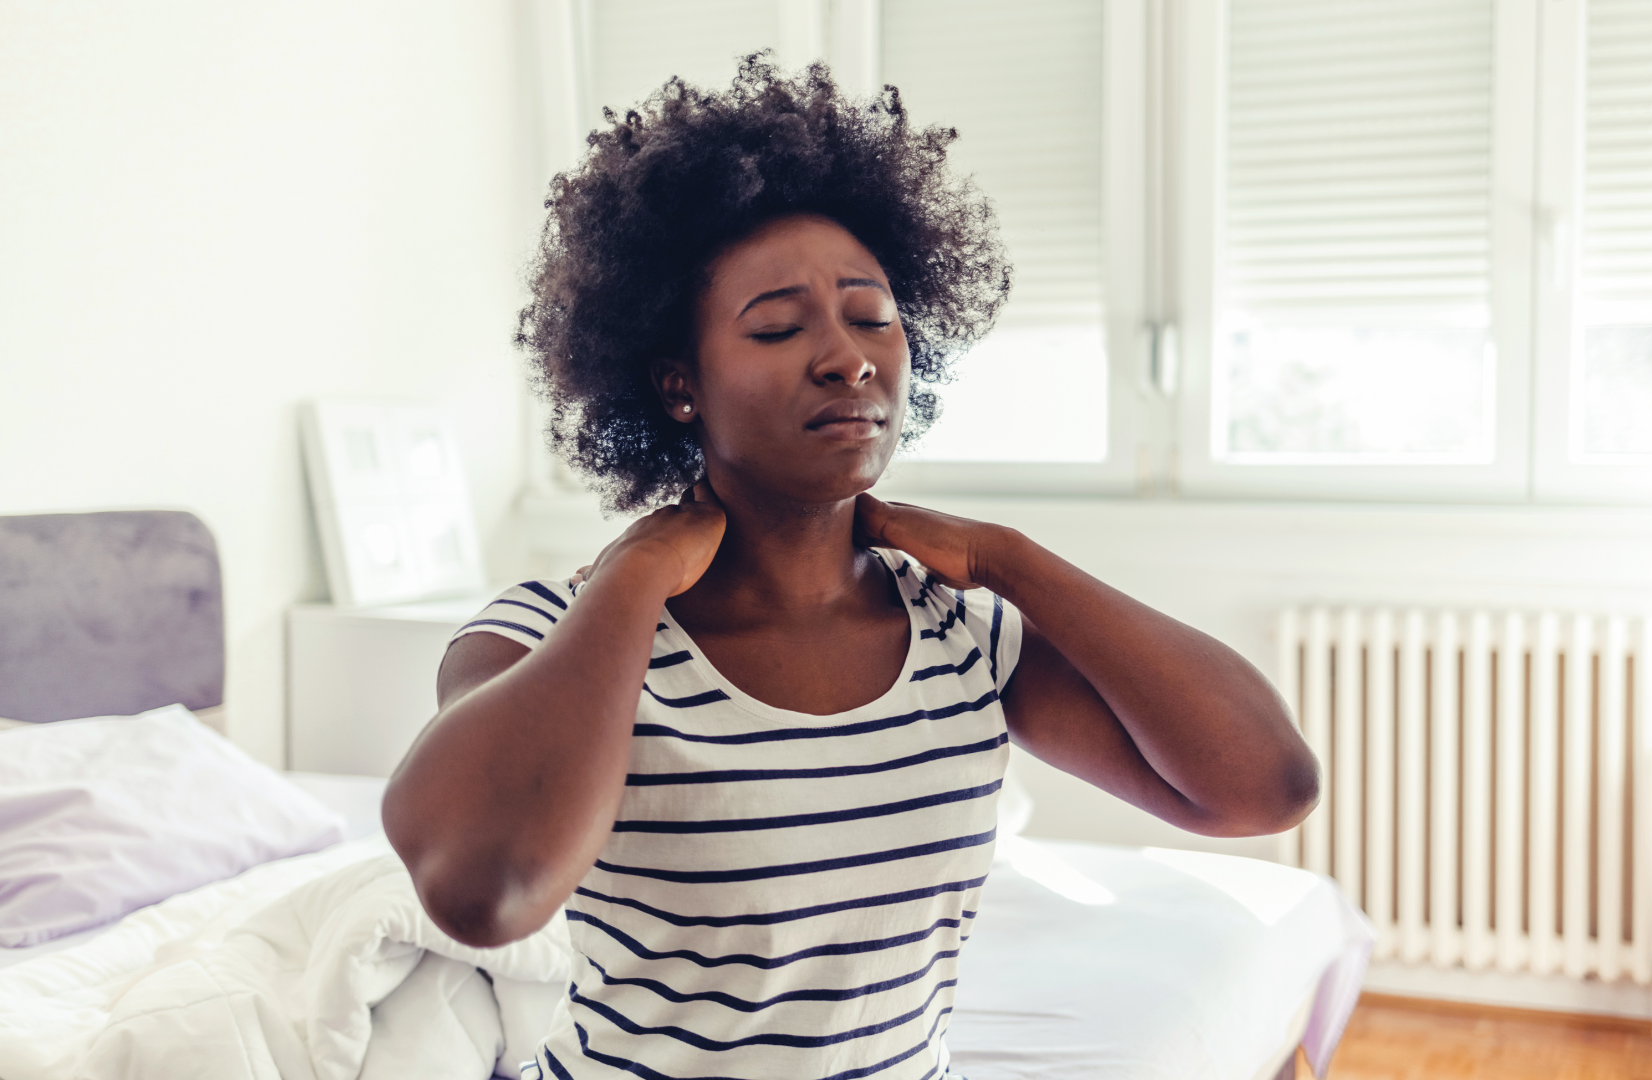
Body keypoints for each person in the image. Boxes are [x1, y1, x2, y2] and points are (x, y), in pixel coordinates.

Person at [382, 55, 1320, 1080]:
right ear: (678, 384)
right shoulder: (545, 633)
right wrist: (631, 579)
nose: (848, 357)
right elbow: (485, 891)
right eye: (779, 327)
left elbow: (1261, 787)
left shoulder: (966, 633)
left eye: (871, 317)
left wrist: (1011, 559)